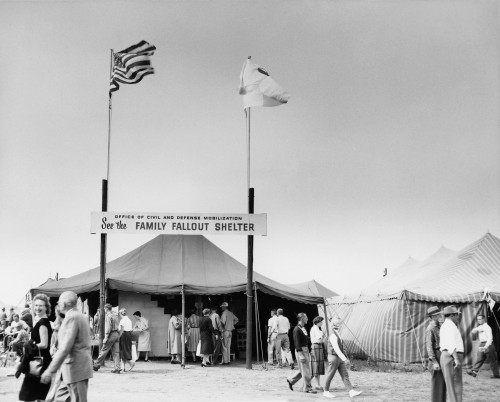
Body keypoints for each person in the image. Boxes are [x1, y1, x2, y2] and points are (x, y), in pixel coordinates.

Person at [40, 291, 93, 402]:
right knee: (60, 398)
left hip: (76, 368)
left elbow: (64, 348)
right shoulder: (78, 316)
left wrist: (50, 370)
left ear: (63, 304)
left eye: (59, 302)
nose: (58, 305)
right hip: (74, 368)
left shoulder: (72, 318)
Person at [19, 293, 53, 401]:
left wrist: (30, 346)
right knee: (36, 395)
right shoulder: (38, 319)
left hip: (40, 361)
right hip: (37, 360)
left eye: (41, 306)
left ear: (46, 307)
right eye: (36, 305)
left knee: (32, 394)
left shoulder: (43, 322)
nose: (37, 308)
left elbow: (44, 344)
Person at [322, 317, 362, 399]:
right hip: (334, 357)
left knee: (345, 374)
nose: (339, 324)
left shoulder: (337, 333)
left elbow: (339, 346)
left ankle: (351, 391)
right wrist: (345, 359)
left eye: (339, 323)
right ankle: (325, 391)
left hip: (338, 358)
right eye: (338, 323)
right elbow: (336, 349)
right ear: (334, 324)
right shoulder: (333, 335)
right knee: (330, 374)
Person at [439, 305, 464, 402]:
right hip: (451, 356)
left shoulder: (447, 325)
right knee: (454, 386)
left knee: (452, 386)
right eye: (457, 315)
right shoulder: (449, 325)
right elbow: (451, 343)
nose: (458, 317)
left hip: (449, 356)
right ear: (452, 315)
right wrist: (456, 358)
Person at [286, 313, 315, 393]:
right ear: (302, 319)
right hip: (301, 350)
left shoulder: (303, 328)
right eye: (306, 318)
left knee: (304, 369)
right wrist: (300, 354)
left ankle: (291, 380)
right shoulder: (297, 329)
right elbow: (297, 342)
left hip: (305, 350)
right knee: (306, 370)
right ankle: (307, 388)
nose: (307, 319)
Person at [467, 313, 500, 379]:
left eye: (480, 319)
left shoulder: (487, 327)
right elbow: (473, 331)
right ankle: (474, 372)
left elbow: (490, 338)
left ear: (484, 319)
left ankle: (496, 375)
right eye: (477, 319)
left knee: (492, 360)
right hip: (482, 343)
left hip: (488, 344)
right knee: (479, 358)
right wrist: (478, 329)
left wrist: (486, 346)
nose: (478, 321)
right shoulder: (480, 327)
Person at [425, 306, 446, 402]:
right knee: (437, 384)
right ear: (432, 317)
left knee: (443, 384)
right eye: (437, 315)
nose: (439, 317)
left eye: (439, 314)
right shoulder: (430, 328)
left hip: (441, 355)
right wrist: (434, 362)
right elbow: (429, 346)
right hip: (436, 357)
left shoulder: (440, 326)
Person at [93, 303, 121, 373]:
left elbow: (108, 328)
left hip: (111, 334)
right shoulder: (115, 315)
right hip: (117, 334)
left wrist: (106, 337)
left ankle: (96, 365)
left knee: (104, 350)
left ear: (106, 309)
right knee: (116, 353)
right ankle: (117, 368)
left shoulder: (108, 316)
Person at [310, 316, 326, 391]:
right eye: (321, 322)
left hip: (317, 347)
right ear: (318, 322)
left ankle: (317, 384)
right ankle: (316, 384)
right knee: (316, 365)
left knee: (317, 365)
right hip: (317, 346)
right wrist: (323, 336)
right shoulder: (316, 328)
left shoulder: (316, 328)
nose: (322, 323)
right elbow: (320, 340)